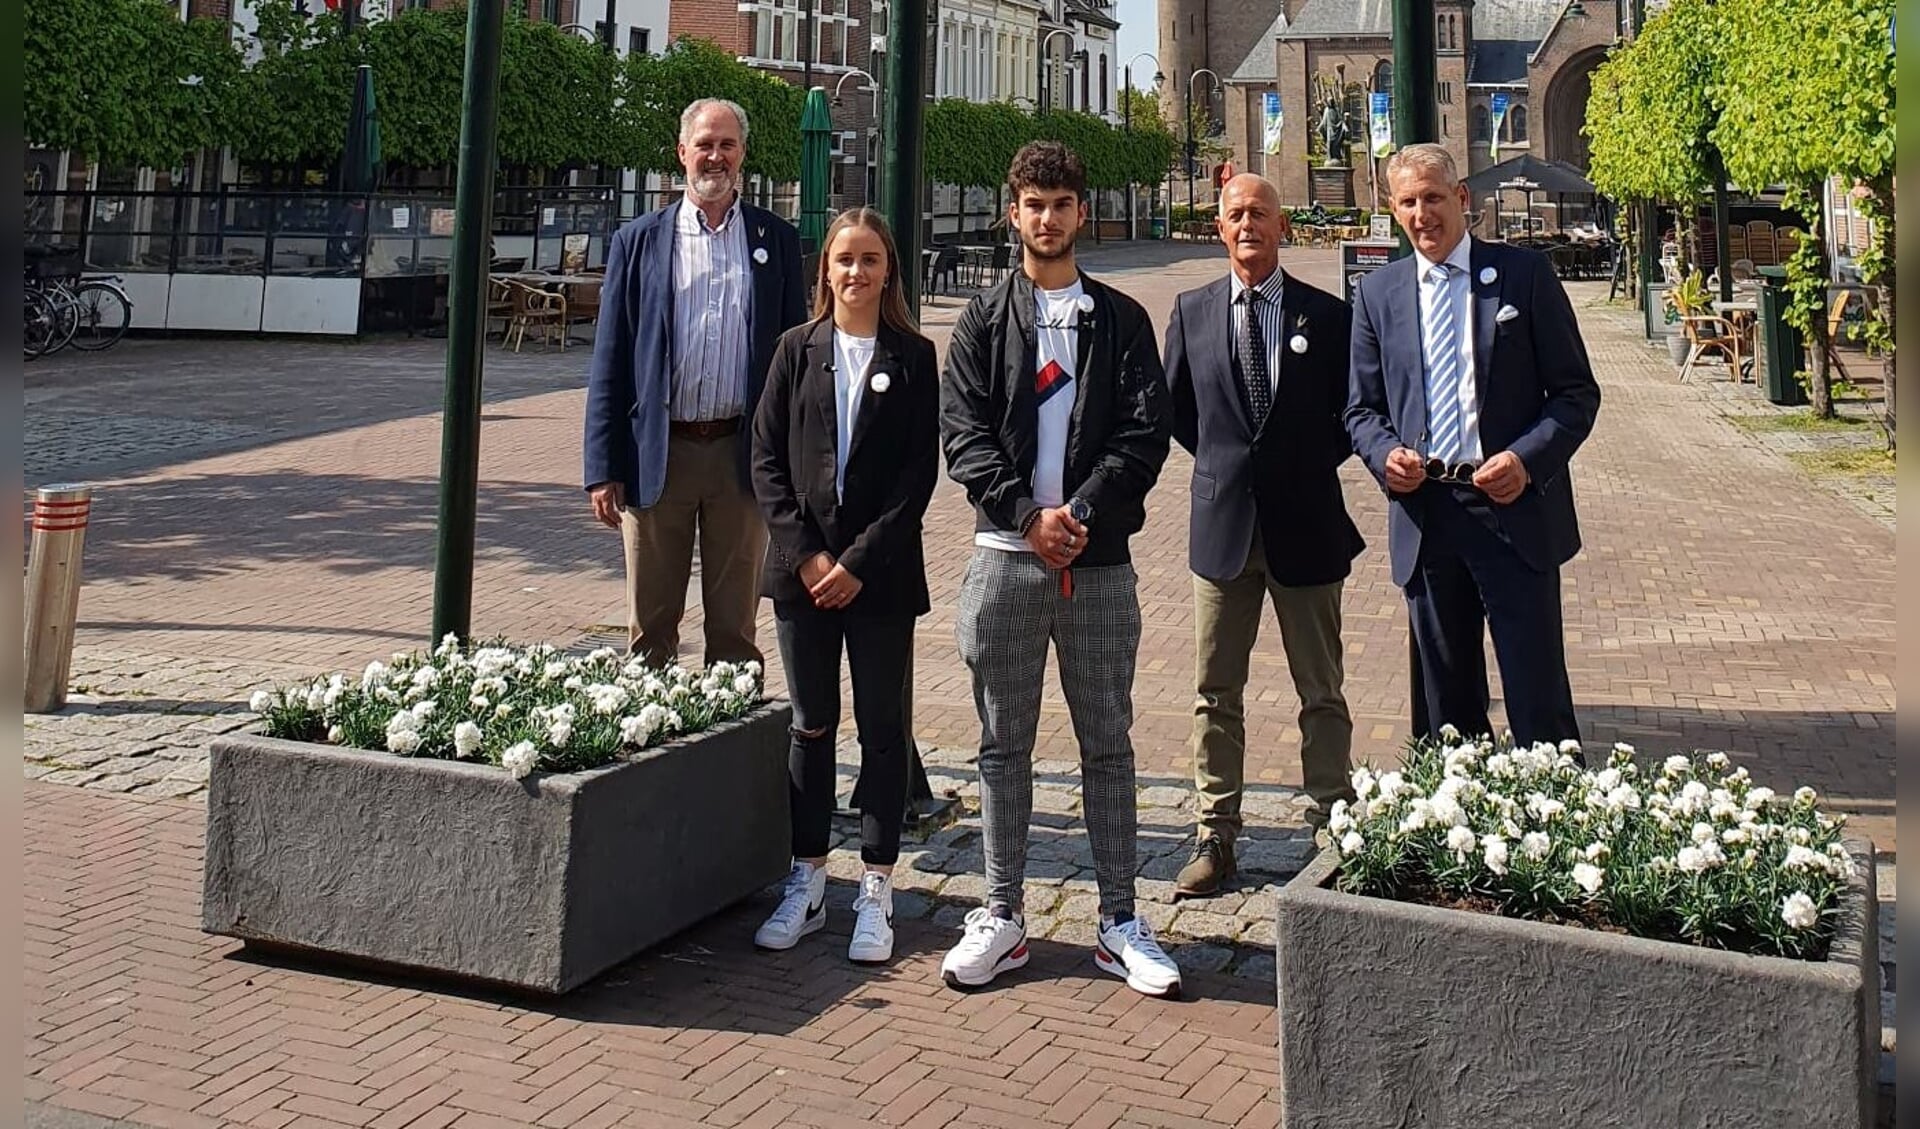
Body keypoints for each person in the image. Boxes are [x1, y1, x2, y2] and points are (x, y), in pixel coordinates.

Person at [938, 141, 1181, 998]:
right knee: (1002, 745)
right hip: (1005, 560)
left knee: (1107, 742)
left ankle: (1119, 919)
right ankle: (1001, 911)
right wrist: (1023, 515)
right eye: (1033, 204)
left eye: (1062, 203)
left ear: (1081, 211)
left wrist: (1077, 515)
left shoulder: (1119, 320)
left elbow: (1145, 434)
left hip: (1099, 562)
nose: (1048, 218)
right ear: (1014, 213)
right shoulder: (981, 319)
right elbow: (962, 434)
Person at [1345, 143, 1601, 748]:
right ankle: (1457, 834)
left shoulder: (1524, 275)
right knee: (1446, 708)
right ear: (1392, 209)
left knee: (1537, 700)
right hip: (1428, 514)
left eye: (1432, 198)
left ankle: (1556, 827)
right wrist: (1386, 457)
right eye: (1407, 202)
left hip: (1512, 509)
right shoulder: (1377, 295)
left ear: (1462, 199)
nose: (1421, 214)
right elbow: (1360, 408)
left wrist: (1526, 459)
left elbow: (1575, 394)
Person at [1163, 173, 1364, 898]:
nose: (1248, 225)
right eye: (1236, 215)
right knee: (1215, 687)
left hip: (1306, 521)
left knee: (1322, 687)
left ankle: (1331, 822)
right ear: (1220, 227)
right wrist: (1232, 469)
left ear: (1283, 228)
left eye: (1261, 215)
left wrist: (1295, 467)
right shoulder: (1190, 312)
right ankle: (1216, 831)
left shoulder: (1328, 317)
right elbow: (1180, 414)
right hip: (1222, 528)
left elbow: (1352, 414)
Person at [747, 209, 940, 964]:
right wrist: (806, 559)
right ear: (824, 270)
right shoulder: (795, 351)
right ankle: (807, 878)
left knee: (883, 729)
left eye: (869, 259)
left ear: (888, 268)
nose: (855, 272)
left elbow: (915, 477)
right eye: (842, 260)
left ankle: (877, 885)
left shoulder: (916, 357)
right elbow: (766, 459)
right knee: (811, 723)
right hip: (803, 579)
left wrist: (857, 562)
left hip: (880, 580)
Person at [584, 98, 807, 669]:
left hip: (741, 457)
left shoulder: (775, 241)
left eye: (727, 145)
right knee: (650, 628)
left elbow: (792, 365)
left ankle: (730, 749)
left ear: (743, 155)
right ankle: (649, 745)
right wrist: (602, 467)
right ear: (682, 153)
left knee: (734, 627)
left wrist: (791, 463)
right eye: (705, 144)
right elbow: (611, 359)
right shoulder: (639, 241)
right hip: (659, 455)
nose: (716, 156)